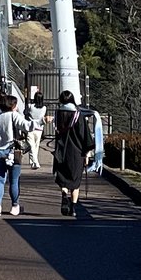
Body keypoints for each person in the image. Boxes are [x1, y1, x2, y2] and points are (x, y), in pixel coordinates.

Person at [50, 88, 103, 217]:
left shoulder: (58, 114)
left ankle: (64, 195)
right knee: (75, 181)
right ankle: (73, 207)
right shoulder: (78, 115)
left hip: (61, 151)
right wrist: (87, 153)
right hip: (76, 153)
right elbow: (84, 136)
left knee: (62, 178)